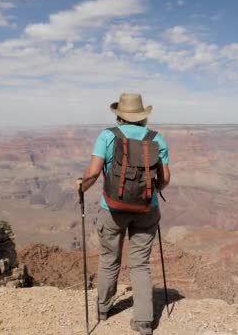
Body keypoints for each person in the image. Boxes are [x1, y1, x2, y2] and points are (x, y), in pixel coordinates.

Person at [78, 93, 170, 335]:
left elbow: (94, 172)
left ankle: (103, 309)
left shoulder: (107, 136)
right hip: (146, 210)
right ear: (142, 117)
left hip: (112, 209)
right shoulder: (156, 139)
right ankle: (143, 322)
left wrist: (81, 187)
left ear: (119, 115)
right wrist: (152, 192)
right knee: (140, 265)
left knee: (109, 260)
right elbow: (166, 178)